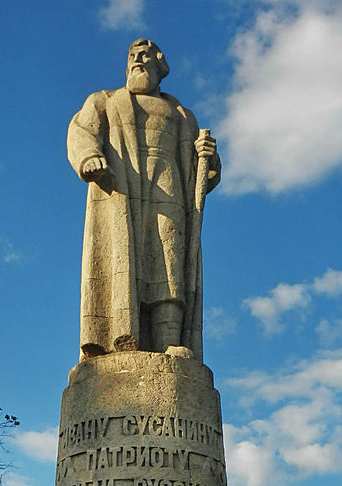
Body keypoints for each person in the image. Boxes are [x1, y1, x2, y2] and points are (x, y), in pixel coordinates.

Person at [68, 38, 221, 361]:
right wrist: (90, 158)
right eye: (132, 56)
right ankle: (120, 339)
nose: (137, 60)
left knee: (169, 260)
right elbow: (81, 130)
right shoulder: (105, 101)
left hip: (169, 190)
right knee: (122, 262)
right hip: (120, 191)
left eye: (145, 56)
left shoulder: (181, 113)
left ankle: (168, 341)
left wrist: (209, 159)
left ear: (159, 65)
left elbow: (201, 175)